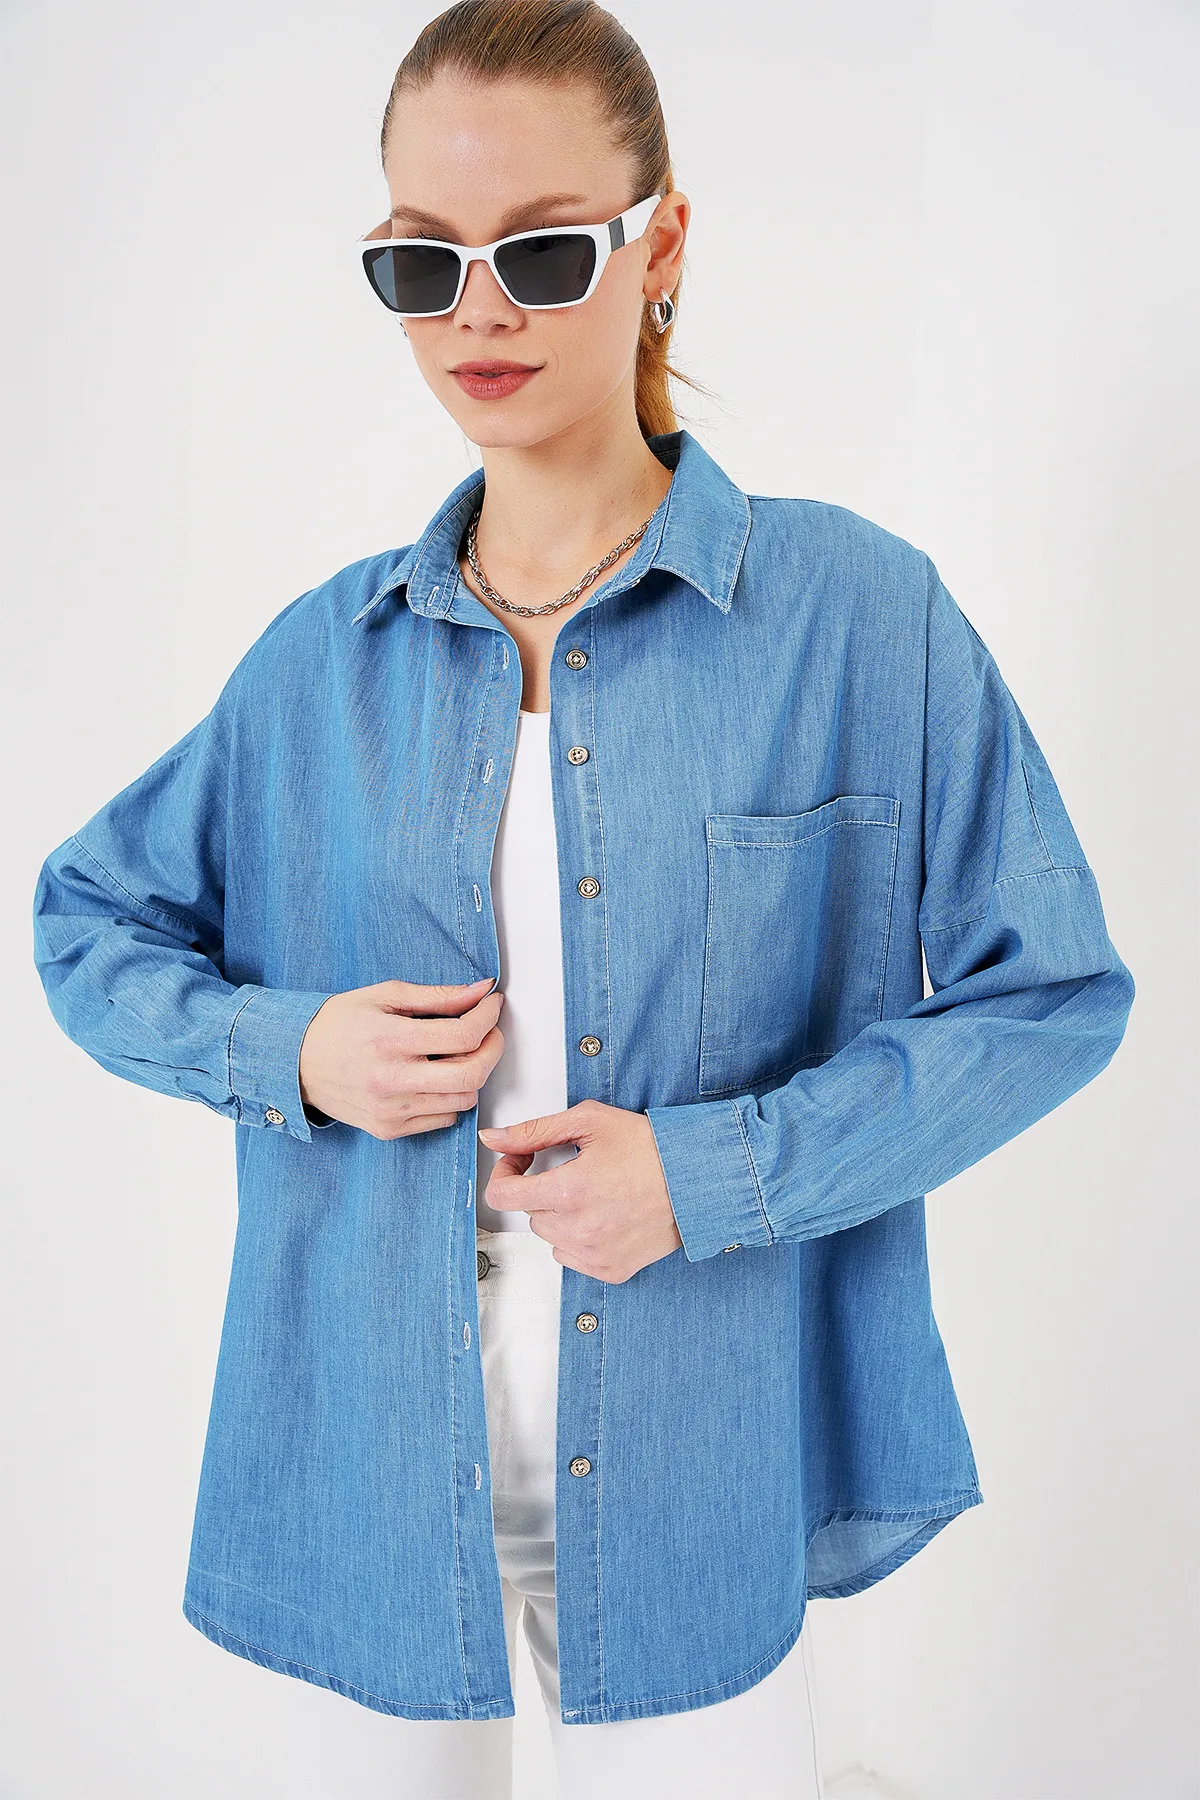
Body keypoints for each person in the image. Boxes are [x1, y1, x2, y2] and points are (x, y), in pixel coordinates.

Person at [31, 3, 1136, 1797]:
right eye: (422, 263)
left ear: (660, 245)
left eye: (542, 253)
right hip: (368, 1496)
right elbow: (86, 919)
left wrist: (712, 1176)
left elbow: (1050, 996)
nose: (479, 314)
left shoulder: (861, 620)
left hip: (701, 1493)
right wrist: (290, 1050)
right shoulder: (320, 662)